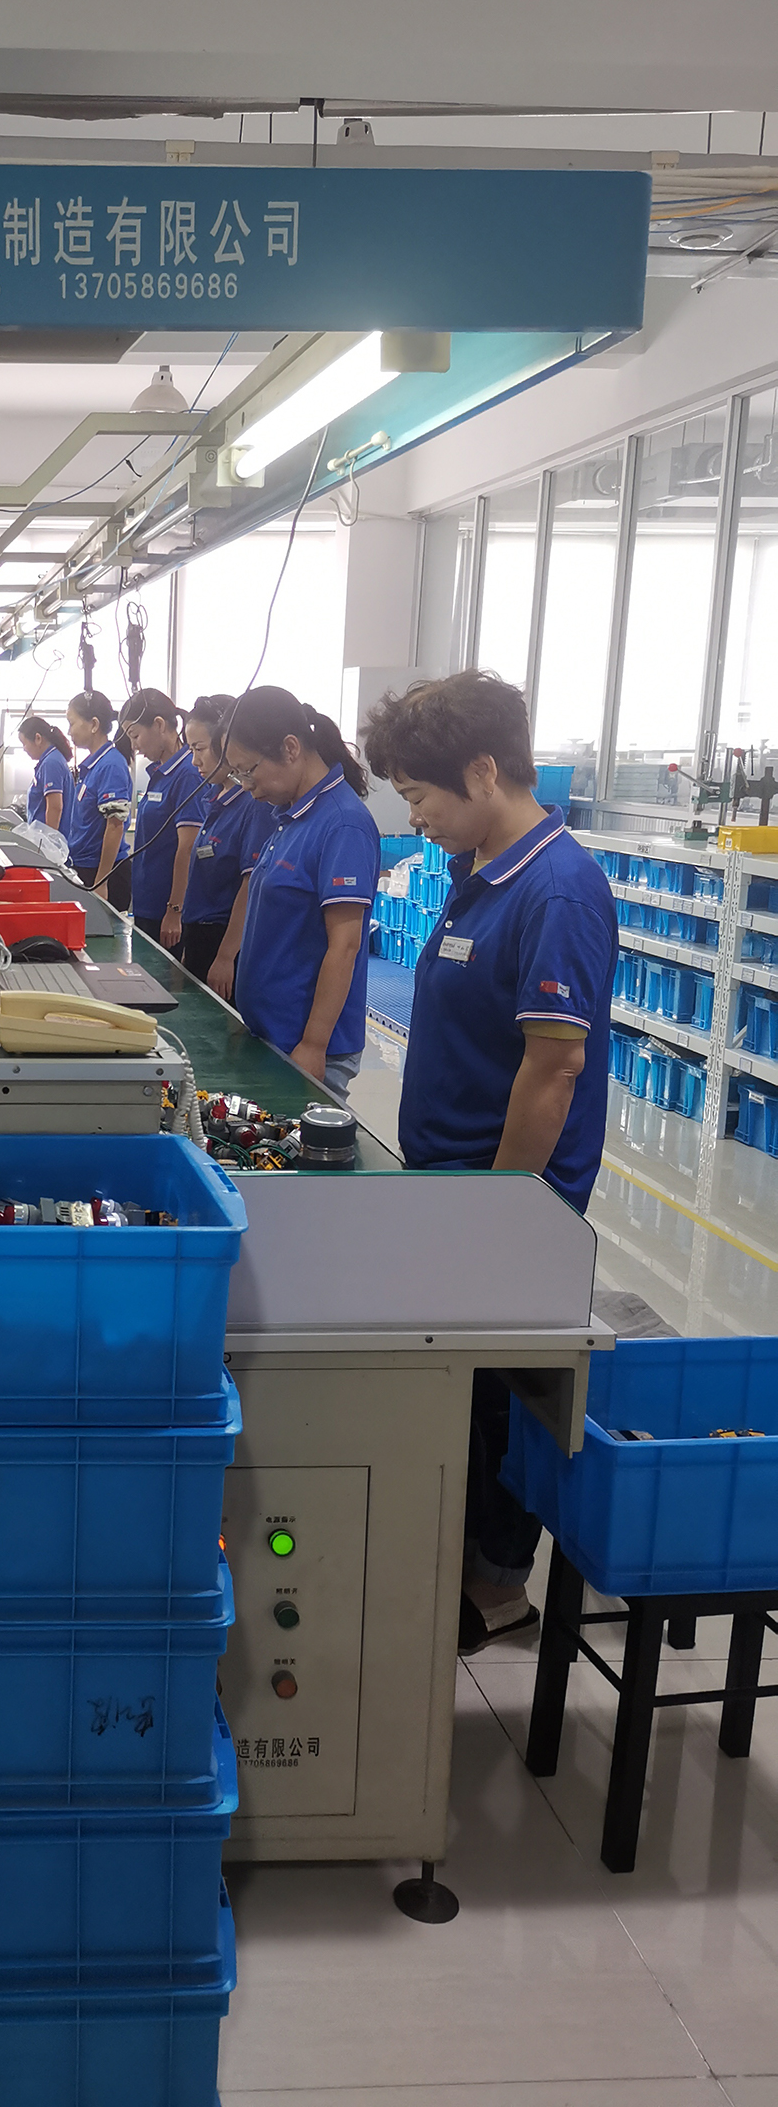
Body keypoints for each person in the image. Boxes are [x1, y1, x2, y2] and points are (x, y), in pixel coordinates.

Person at [363, 670, 619, 1656]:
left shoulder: (555, 891)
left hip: (506, 1197)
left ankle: (500, 1589)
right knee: (467, 1390)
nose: (415, 818)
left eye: (419, 795)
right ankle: (467, 1555)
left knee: (506, 1394)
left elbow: (554, 1067)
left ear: (481, 771)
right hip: (458, 1185)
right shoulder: (488, 873)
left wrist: (500, 1209)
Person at [224, 686, 379, 1101]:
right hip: (271, 1032)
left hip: (306, 1046)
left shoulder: (343, 824)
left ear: (290, 748)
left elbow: (345, 945)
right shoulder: (289, 816)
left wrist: (314, 1043)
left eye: (248, 771)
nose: (246, 786)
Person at [180, 693, 275, 997]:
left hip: (225, 939)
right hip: (199, 934)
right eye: (190, 750)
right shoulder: (215, 798)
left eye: (200, 749)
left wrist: (225, 957)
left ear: (225, 744)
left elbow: (249, 885)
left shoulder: (253, 804)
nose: (195, 760)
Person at [119, 689, 208, 948]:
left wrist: (174, 910)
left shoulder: (187, 774)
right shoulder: (160, 773)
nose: (134, 746)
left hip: (166, 912)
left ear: (159, 725)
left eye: (135, 735)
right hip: (148, 905)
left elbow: (188, 847)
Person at [65, 688, 134, 913]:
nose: (69, 731)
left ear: (94, 724)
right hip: (85, 867)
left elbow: (115, 825)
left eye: (72, 723)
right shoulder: (93, 765)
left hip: (103, 873)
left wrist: (101, 882)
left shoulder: (110, 765)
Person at [17, 715, 74, 833]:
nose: (24, 749)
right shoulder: (50, 760)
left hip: (50, 839)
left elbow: (55, 807)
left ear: (38, 738)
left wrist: (49, 839)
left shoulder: (51, 763)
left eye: (24, 743)